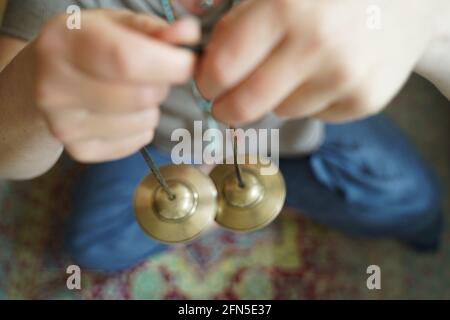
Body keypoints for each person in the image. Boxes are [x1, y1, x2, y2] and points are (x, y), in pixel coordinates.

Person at [0, 0, 449, 272]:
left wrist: (426, 17)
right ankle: (231, 199)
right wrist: (33, 83)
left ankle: (262, 192)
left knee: (416, 204)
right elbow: (6, 152)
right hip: (159, 140)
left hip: (298, 121)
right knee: (93, 244)